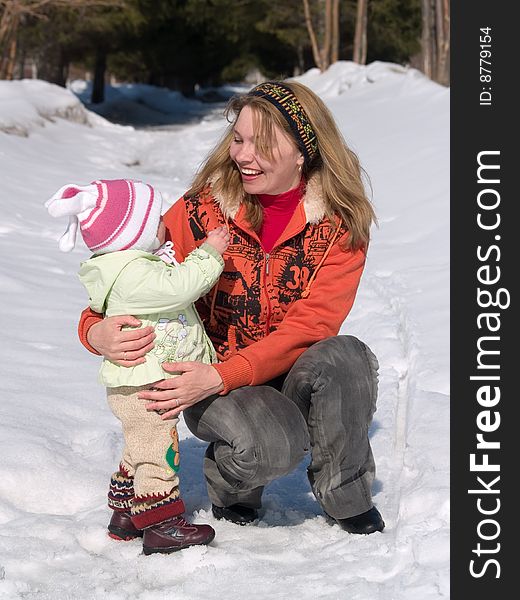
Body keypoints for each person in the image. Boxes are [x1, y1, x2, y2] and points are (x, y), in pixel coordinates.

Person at [78, 80, 385, 535]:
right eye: (238, 140)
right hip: (211, 379)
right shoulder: (202, 210)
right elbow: (127, 275)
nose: (243, 155)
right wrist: (94, 331)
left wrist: (231, 371)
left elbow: (312, 324)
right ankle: (232, 479)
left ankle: (346, 494)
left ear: (303, 151)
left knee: (347, 357)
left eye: (261, 144)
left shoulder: (340, 225)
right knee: (271, 445)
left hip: (282, 368)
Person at [46, 178, 231, 554]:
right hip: (144, 385)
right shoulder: (133, 272)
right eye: (155, 220)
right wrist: (210, 253)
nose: (165, 224)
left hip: (139, 383)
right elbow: (180, 286)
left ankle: (127, 514)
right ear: (134, 234)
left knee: (139, 447)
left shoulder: (123, 266)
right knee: (158, 452)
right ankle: (162, 524)